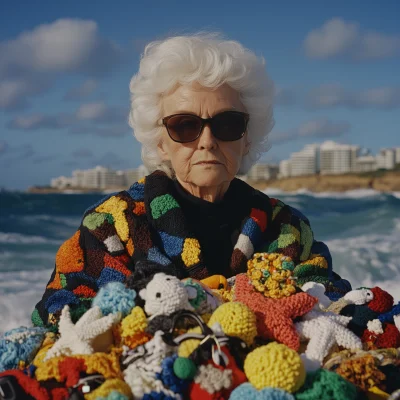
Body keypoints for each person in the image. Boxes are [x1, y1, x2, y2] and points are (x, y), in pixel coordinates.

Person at [32, 34, 350, 328]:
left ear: (248, 139)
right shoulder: (111, 225)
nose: (207, 141)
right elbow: (59, 311)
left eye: (227, 124)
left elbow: (332, 300)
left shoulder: (287, 228)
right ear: (160, 142)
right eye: (185, 126)